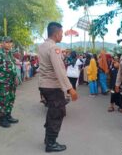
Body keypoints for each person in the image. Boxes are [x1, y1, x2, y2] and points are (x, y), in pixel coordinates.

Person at [38, 22, 78, 153]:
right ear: (56, 34)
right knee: (57, 114)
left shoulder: (42, 46)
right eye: (61, 33)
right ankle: (51, 143)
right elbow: (60, 70)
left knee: (51, 112)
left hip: (44, 85)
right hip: (53, 86)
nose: (62, 36)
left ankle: (48, 138)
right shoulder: (54, 48)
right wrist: (70, 88)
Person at [0, 37, 19, 128]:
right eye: (7, 42)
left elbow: (13, 66)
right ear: (2, 43)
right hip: (2, 82)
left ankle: (8, 116)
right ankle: (2, 120)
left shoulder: (10, 53)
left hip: (11, 81)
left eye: (10, 43)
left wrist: (16, 77)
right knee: (3, 100)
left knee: (10, 98)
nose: (9, 44)